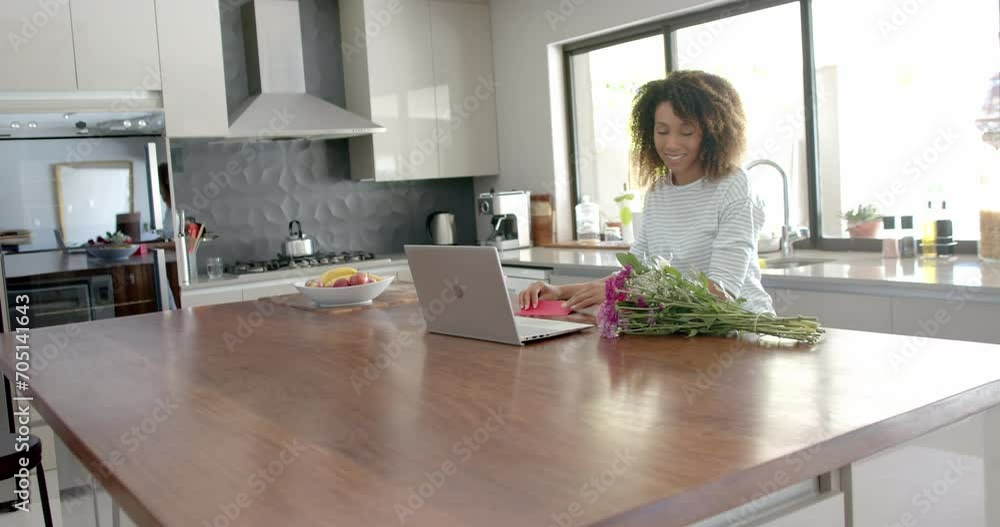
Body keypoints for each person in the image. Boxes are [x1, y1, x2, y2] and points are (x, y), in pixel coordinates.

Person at [518, 70, 774, 314]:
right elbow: (634, 272)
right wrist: (560, 291)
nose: (671, 143)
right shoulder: (658, 191)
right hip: (686, 333)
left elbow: (720, 292)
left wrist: (622, 292)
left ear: (712, 134)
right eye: (662, 131)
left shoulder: (734, 185)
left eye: (686, 132)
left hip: (742, 330)